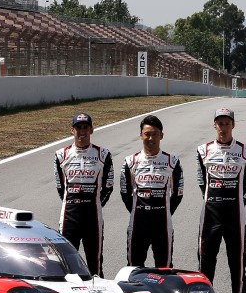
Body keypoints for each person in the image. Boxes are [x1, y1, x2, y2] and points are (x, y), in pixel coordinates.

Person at [196, 107, 246, 293]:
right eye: (220, 123)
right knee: (205, 266)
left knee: (237, 265)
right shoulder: (203, 150)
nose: (223, 127)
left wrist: (236, 201)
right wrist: (216, 200)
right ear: (214, 125)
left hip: (235, 216)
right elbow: (202, 183)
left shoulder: (245, 151)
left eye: (227, 123)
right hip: (210, 215)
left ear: (233, 125)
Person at [119, 115, 184, 268]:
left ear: (161, 135)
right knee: (134, 269)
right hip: (138, 223)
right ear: (141, 135)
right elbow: (125, 193)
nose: (151, 138)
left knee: (164, 269)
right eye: (147, 134)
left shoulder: (172, 161)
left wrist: (165, 211)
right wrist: (137, 210)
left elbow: (178, 193)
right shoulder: (130, 161)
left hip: (163, 223)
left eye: (155, 134)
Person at [53, 112, 114, 277]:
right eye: (78, 127)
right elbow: (60, 187)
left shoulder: (103, 154)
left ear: (92, 129)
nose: (82, 131)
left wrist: (95, 202)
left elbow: (108, 186)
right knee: (66, 265)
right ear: (72, 130)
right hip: (69, 217)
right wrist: (73, 202)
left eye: (85, 127)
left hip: (93, 217)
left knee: (95, 266)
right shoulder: (61, 155)